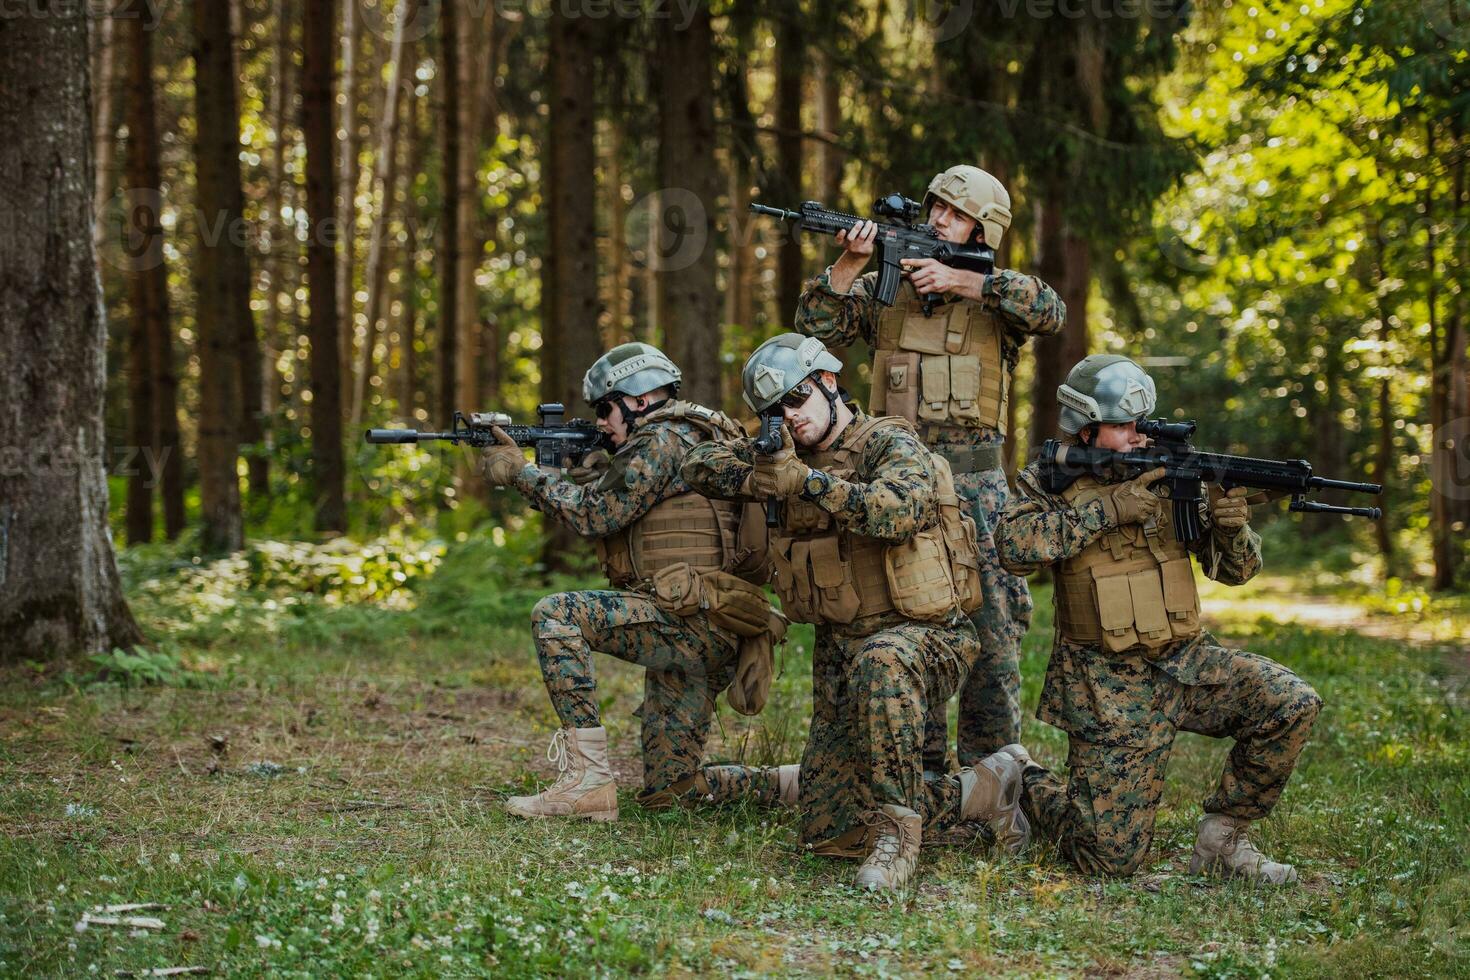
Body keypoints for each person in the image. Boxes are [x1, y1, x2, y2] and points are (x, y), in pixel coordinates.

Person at [681, 333, 1028, 892]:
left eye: (796, 401)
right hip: (844, 653)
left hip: (925, 638)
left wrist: (813, 484)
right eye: (772, 412)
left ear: (829, 383)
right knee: (829, 833)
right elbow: (698, 466)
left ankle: (899, 836)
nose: (788, 418)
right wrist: (763, 472)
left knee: (883, 660)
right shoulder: (784, 452)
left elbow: (900, 511)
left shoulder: (887, 442)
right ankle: (986, 788)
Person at [994, 355, 1322, 883]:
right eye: (1125, 426)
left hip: (1188, 664)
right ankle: (1019, 780)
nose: (1139, 437)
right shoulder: (1048, 481)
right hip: (1106, 684)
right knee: (1109, 861)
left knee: (1291, 702)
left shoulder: (1172, 476)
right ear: (1086, 425)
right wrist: (1110, 509)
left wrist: (1231, 529)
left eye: (1143, 424)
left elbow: (1235, 573)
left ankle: (1223, 841)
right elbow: (1013, 548)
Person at [793, 164, 1065, 773]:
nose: (939, 217)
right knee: (889, 615)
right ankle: (915, 776)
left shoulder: (997, 299)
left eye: (955, 212)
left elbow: (1050, 310)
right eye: (935, 206)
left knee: (992, 631)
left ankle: (992, 780)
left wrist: (963, 283)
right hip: (896, 481)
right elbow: (814, 333)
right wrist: (847, 266)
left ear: (983, 232)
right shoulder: (887, 290)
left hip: (977, 488)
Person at [478, 342, 794, 822]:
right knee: (673, 790)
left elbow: (593, 515)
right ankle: (797, 783)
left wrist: (522, 474)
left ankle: (587, 782)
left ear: (640, 399)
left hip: (688, 621)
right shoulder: (696, 433)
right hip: (711, 618)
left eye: (606, 409)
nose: (602, 422)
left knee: (557, 615)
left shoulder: (661, 440)